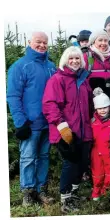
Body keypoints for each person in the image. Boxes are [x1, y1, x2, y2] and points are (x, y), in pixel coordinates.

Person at [7, 31, 56, 207]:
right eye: (38, 42)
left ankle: (41, 188)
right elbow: (13, 96)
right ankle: (28, 191)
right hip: (30, 123)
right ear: (29, 42)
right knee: (27, 157)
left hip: (48, 122)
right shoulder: (20, 66)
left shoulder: (51, 66)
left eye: (45, 43)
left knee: (43, 156)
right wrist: (20, 122)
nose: (42, 45)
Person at [42, 46, 93, 213]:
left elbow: (88, 103)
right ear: (65, 60)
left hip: (84, 129)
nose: (74, 61)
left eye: (77, 58)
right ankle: (65, 199)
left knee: (82, 162)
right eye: (71, 58)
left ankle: (74, 191)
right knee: (70, 164)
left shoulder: (84, 79)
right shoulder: (58, 79)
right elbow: (50, 104)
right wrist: (61, 125)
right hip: (66, 130)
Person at [90, 88, 110, 201]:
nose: (102, 110)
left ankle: (107, 193)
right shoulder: (93, 122)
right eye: (99, 108)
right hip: (96, 152)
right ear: (96, 109)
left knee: (109, 172)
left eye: (105, 107)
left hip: (109, 151)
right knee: (97, 173)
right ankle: (96, 193)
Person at [83, 30, 110, 94]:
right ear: (94, 41)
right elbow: (82, 77)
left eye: (105, 40)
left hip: (108, 95)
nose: (103, 43)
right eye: (100, 40)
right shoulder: (89, 56)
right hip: (92, 95)